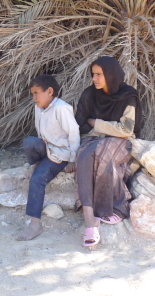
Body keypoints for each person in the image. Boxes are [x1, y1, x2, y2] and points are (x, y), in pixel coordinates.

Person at [75, 56, 142, 247]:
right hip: (92, 139)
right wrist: (100, 129)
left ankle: (117, 208)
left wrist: (96, 123)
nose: (94, 79)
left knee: (103, 154)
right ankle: (90, 220)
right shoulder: (89, 94)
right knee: (84, 156)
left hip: (121, 142)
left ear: (110, 75)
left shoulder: (128, 95)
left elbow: (126, 130)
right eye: (93, 75)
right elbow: (80, 124)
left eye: (99, 75)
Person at [17, 74, 80, 241]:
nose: (34, 97)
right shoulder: (39, 107)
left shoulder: (61, 108)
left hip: (60, 153)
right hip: (47, 147)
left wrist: (73, 159)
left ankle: (35, 225)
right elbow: (40, 132)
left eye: (37, 93)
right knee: (29, 142)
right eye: (33, 94)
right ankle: (37, 164)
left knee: (37, 180)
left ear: (50, 91)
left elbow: (73, 133)